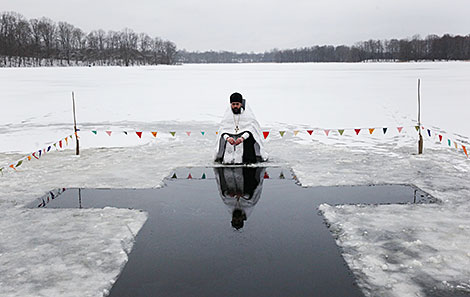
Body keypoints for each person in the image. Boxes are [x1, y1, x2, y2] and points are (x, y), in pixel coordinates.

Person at [214, 92, 268, 164]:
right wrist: (227, 138)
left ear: (241, 104)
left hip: (245, 143)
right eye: (233, 104)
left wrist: (242, 138)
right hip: (230, 143)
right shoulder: (228, 116)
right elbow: (223, 130)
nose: (235, 106)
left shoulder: (247, 115)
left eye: (237, 104)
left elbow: (252, 129)